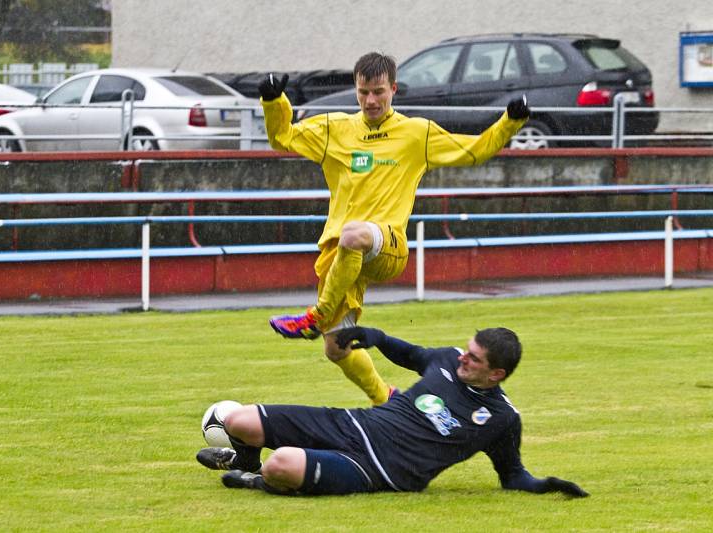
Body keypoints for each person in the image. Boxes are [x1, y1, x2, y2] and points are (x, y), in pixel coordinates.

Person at [259, 52, 531, 405]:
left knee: (354, 233)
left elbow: (474, 151)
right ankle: (385, 399)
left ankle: (316, 316)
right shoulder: (332, 130)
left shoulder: (416, 133)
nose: (371, 100)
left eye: (379, 92)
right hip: (342, 255)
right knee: (336, 347)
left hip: (388, 246)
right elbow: (281, 137)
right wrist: (272, 100)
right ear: (355, 91)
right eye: (363, 92)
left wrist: (510, 121)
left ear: (394, 89)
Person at [196, 325, 589, 498]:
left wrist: (546, 484)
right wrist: (376, 337)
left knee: (280, 464)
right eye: (467, 350)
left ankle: (256, 479)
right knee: (238, 419)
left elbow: (512, 476)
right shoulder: (448, 360)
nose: (463, 358)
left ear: (496, 373)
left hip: (379, 470)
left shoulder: (502, 419)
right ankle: (243, 458)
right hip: (354, 423)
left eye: (474, 358)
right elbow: (411, 354)